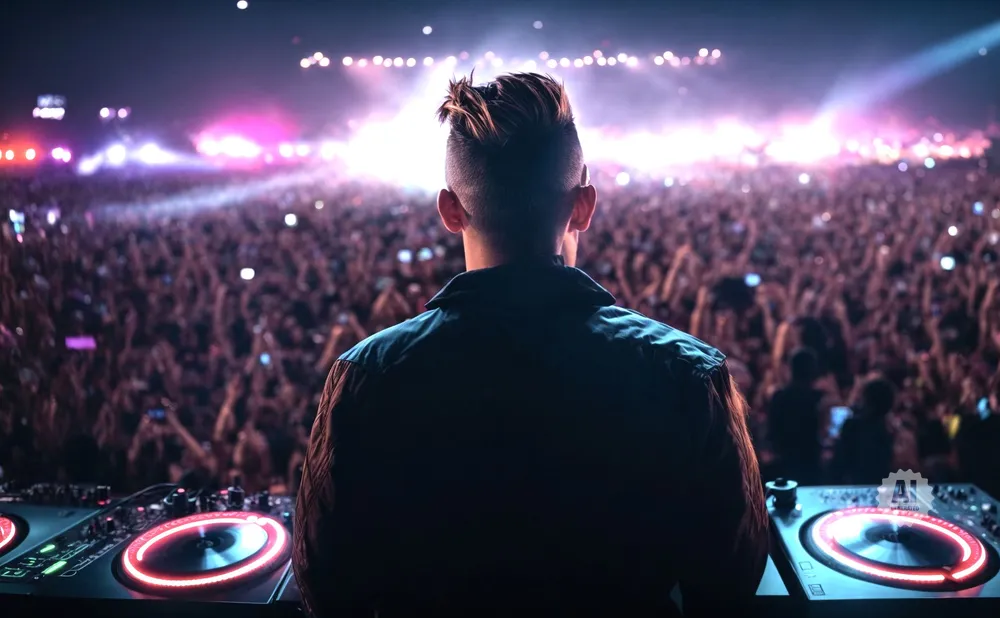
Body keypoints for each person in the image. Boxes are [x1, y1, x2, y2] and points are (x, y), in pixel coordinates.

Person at [293, 73, 768, 616]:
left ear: (450, 210)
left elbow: (325, 585)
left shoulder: (368, 377)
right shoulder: (686, 374)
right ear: (584, 206)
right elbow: (731, 580)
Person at [767, 348, 826, 484]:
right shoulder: (817, 399)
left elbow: (772, 431)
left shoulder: (778, 397)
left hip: (783, 463)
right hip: (811, 463)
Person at [830, 377, 896, 484]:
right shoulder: (890, 431)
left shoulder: (851, 425)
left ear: (866, 399)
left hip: (853, 488)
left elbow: (838, 464)